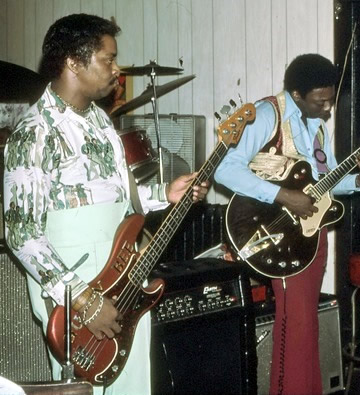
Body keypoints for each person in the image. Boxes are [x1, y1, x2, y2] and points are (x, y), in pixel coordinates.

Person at [3, 14, 209, 394]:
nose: (117, 69)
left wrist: (165, 193)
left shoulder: (100, 121)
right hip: (76, 291)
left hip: (124, 275)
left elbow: (113, 196)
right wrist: (83, 300)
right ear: (73, 62)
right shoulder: (34, 133)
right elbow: (21, 234)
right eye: (108, 59)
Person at [215, 53, 360, 394]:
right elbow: (225, 170)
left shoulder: (315, 125)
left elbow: (325, 180)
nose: (328, 108)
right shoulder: (264, 115)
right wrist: (283, 197)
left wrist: (359, 179)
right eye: (322, 101)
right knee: (295, 325)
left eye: (331, 100)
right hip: (275, 232)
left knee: (307, 328)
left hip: (312, 234)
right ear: (297, 95)